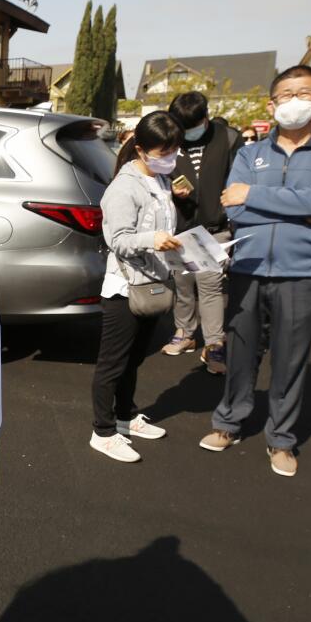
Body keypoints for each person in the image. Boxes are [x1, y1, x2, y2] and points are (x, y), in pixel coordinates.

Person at [198, 65, 311, 477]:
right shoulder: (250, 153)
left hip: (301, 273)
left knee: (289, 359)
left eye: (304, 93)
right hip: (248, 267)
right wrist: (301, 211)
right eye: (286, 95)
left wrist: (256, 194)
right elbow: (234, 207)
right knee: (240, 352)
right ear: (272, 103)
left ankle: (281, 439)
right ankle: (228, 421)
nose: (295, 101)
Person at [92, 111, 194, 462]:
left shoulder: (161, 181)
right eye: (164, 152)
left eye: (174, 150)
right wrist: (154, 239)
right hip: (125, 287)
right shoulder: (123, 187)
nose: (171, 158)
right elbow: (118, 239)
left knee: (134, 360)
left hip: (153, 281)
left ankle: (126, 417)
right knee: (113, 363)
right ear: (140, 149)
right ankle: (103, 432)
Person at [162, 91, 241, 375]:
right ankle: (184, 332)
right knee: (183, 285)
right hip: (179, 227)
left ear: (204, 119)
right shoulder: (170, 138)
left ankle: (215, 343)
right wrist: (170, 191)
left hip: (214, 228)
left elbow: (238, 180)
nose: (183, 133)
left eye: (188, 127)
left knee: (210, 285)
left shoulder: (228, 138)